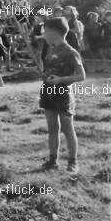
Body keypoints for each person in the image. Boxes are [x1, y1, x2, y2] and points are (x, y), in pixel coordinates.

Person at [39, 17, 85, 173]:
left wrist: (60, 80)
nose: (43, 34)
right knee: (52, 128)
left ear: (53, 33)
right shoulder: (50, 48)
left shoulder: (70, 52)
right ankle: (52, 161)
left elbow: (81, 76)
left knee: (67, 128)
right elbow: (50, 69)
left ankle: (73, 162)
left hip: (63, 94)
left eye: (45, 31)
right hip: (48, 92)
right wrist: (46, 75)